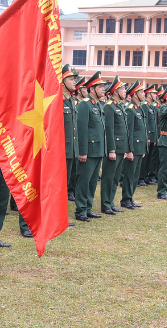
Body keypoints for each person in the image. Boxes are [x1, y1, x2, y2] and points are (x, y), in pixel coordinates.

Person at [74, 72, 107, 221]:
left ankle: (88, 207)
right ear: (92, 89)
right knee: (84, 181)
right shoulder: (84, 104)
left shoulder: (97, 105)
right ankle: (80, 210)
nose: (103, 89)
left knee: (93, 181)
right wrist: (82, 151)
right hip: (88, 150)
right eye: (100, 87)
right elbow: (82, 130)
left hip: (98, 150)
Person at [101, 76, 128, 214]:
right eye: (123, 88)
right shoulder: (109, 106)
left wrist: (125, 149)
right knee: (108, 177)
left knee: (116, 177)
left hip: (120, 148)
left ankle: (111, 202)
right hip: (113, 148)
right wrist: (111, 149)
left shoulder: (120, 106)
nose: (125, 91)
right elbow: (109, 130)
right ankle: (105, 204)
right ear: (116, 91)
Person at [121, 80, 147, 209]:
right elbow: (129, 132)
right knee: (130, 175)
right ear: (135, 94)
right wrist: (129, 150)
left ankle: (130, 198)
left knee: (135, 175)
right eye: (142, 92)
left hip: (139, 147)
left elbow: (141, 131)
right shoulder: (130, 109)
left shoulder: (139, 108)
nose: (144, 94)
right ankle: (125, 199)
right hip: (133, 148)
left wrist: (143, 149)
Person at [60, 65, 79, 217]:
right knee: (58, 186)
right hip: (60, 151)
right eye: (71, 79)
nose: (74, 82)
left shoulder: (71, 101)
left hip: (70, 150)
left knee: (64, 185)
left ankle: (61, 216)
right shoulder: (57, 100)